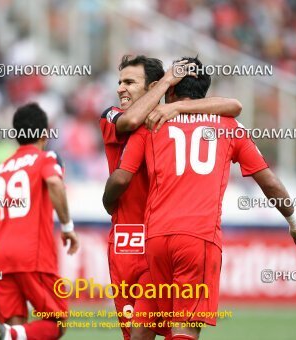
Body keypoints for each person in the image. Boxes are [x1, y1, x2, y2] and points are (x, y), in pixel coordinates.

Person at [103, 56, 296, 340]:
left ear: (171, 90)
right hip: (198, 239)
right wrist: (295, 222)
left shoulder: (151, 124)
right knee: (184, 329)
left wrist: (109, 204)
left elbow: (121, 176)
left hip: (155, 240)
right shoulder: (229, 126)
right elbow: (269, 182)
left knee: (142, 329)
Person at [100, 55, 242, 340]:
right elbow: (131, 120)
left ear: (152, 87)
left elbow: (233, 106)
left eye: (129, 82)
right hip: (131, 239)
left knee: (172, 329)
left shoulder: (166, 121)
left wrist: (174, 104)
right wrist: (167, 83)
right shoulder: (112, 115)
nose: (120, 89)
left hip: (161, 237)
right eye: (119, 82)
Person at [0, 103, 79, 340]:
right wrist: (67, 227)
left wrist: (6, 229)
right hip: (32, 255)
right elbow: (54, 183)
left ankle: (10, 334)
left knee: (16, 326)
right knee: (56, 321)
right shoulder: (46, 158)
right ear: (44, 134)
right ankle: (11, 335)